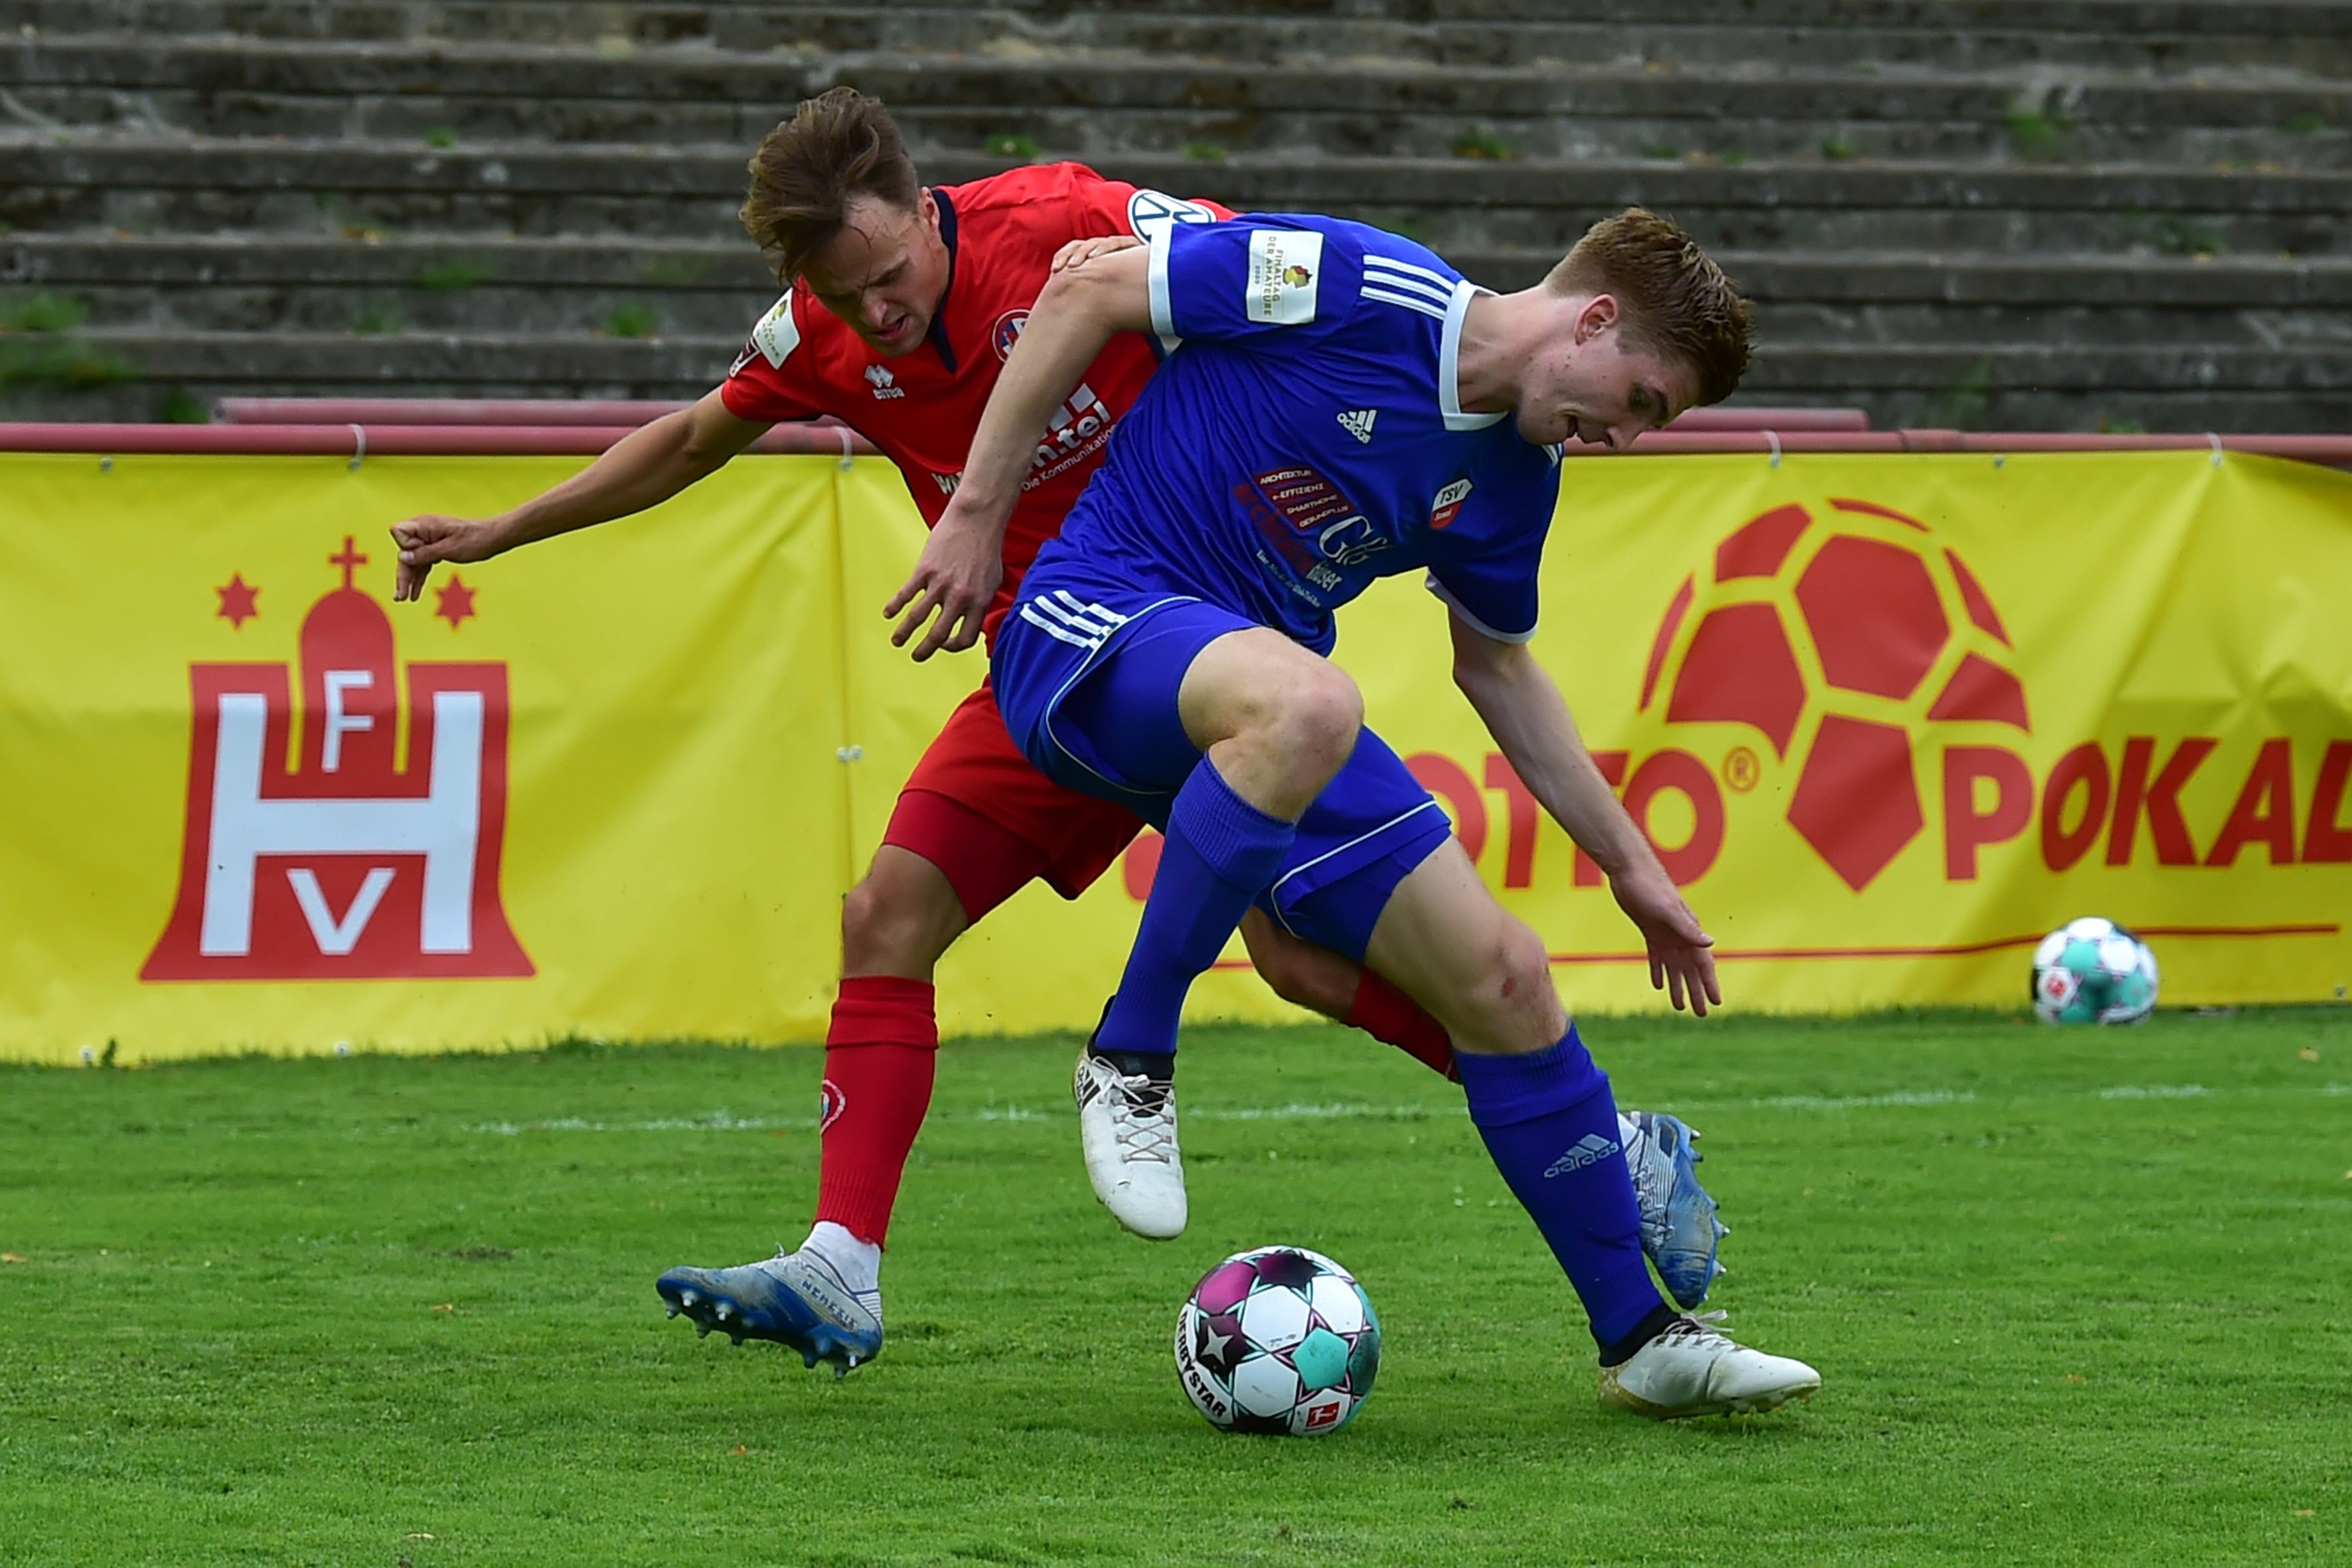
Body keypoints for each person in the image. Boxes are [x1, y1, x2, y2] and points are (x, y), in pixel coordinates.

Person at [388, 88, 1726, 1380]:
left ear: (924, 208)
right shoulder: (813, 337)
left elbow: (1209, 275)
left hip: (1195, 633)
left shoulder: (1063, 224)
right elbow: (687, 441)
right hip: (1074, 644)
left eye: (887, 276)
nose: (877, 311)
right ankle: (839, 1263)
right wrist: (498, 532)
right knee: (888, 917)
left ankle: (1590, 1157)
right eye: (845, 296)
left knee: (1311, 951)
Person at [907, 204, 1816, 1417]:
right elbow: (1087, 294)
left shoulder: (1515, 475)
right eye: (1645, 400)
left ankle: (1645, 1340)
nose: (1631, 438)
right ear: (1593, 321)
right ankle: (1130, 1055)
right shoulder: (1354, 282)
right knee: (1311, 703)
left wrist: (1634, 868)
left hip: (1266, 708)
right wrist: (974, 514)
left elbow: (1497, 667)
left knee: (1506, 978)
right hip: (1098, 626)